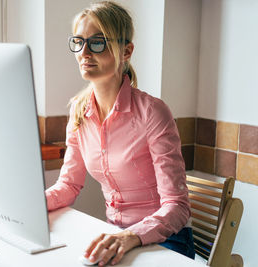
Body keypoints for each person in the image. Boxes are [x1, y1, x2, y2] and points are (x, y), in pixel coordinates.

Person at [45, 1, 194, 266]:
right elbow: (67, 186)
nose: (84, 52)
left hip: (167, 242)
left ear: (126, 51)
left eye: (98, 42)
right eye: (78, 42)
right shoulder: (79, 112)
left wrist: (130, 235)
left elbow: (177, 206)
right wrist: (31, 205)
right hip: (116, 237)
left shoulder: (152, 112)